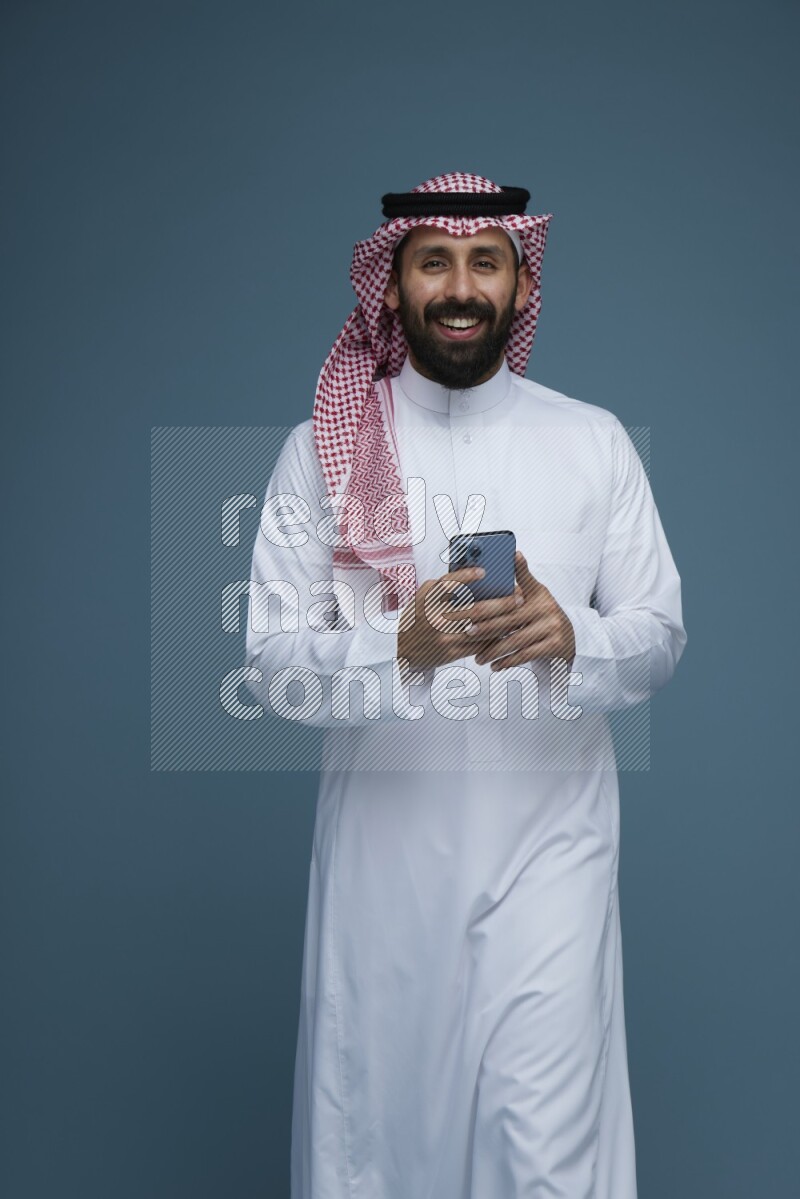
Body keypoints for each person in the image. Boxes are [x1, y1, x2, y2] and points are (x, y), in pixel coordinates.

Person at [244, 172, 686, 1198]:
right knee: (382, 1153)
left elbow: (659, 633)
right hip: (382, 880)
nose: (458, 286)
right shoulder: (320, 450)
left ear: (519, 285)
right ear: (391, 283)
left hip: (550, 867)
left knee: (544, 1155)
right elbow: (269, 662)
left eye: (483, 262)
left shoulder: (592, 440)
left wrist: (568, 637)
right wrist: (397, 651)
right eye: (431, 261)